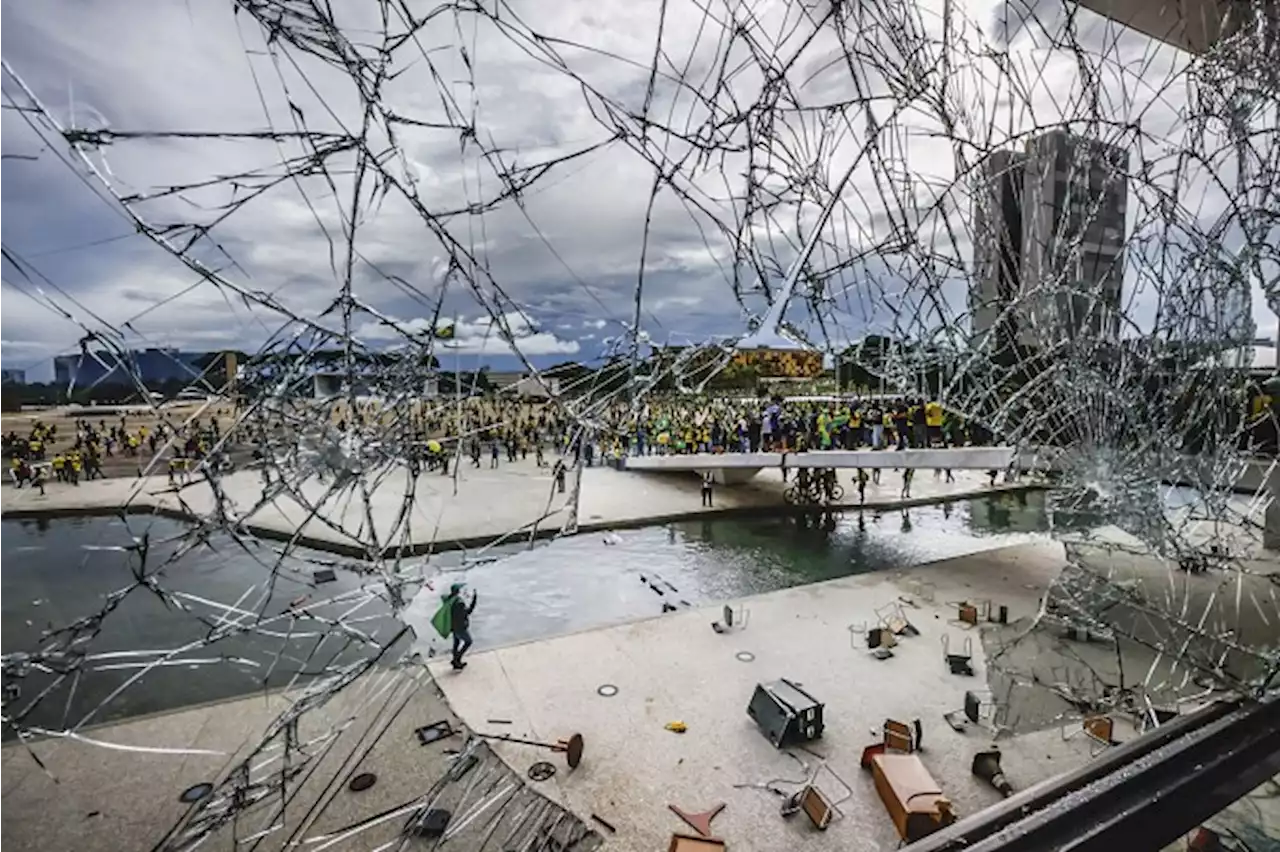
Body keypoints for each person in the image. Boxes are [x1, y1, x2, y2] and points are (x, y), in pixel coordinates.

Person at [448, 582, 478, 670]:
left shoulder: (450, 600)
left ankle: (455, 661)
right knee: (468, 641)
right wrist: (474, 599)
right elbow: (468, 612)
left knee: (456, 644)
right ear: (457, 591)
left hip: (453, 626)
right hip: (460, 627)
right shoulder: (459, 603)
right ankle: (457, 659)